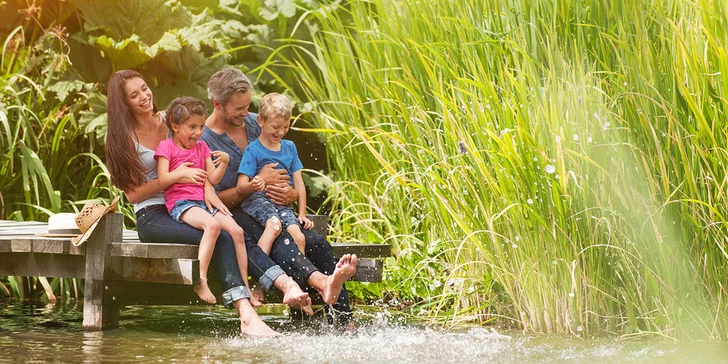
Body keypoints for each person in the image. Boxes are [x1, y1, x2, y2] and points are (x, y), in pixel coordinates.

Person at [104, 70, 311, 336]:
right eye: (134, 95)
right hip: (154, 213)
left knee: (234, 229)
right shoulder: (122, 137)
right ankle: (247, 316)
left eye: (144, 88)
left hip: (193, 200)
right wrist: (175, 176)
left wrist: (212, 189)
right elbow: (133, 196)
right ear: (123, 102)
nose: (144, 96)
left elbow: (204, 163)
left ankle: (277, 287)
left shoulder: (174, 118)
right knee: (221, 235)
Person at [200, 68, 358, 321]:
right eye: (238, 109)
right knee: (281, 239)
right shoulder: (204, 141)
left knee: (316, 243)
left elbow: (288, 171)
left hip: (275, 208)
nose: (246, 114)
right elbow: (211, 198)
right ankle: (318, 287)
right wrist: (256, 182)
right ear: (216, 104)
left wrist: (291, 193)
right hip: (235, 214)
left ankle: (343, 321)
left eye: (247, 106)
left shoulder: (258, 122)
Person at [155, 96, 258, 306]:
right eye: (192, 127)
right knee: (212, 226)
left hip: (205, 203)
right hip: (182, 203)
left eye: (201, 126)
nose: (198, 132)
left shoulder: (202, 147)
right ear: (175, 126)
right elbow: (162, 180)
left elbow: (213, 179)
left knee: (237, 232)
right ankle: (200, 279)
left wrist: (224, 162)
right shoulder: (167, 147)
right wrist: (181, 173)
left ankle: (246, 287)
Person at [237, 93, 312, 256]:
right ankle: (262, 269)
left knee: (299, 237)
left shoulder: (290, 147)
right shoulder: (253, 150)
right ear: (261, 121)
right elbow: (241, 186)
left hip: (282, 204)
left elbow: (299, 183)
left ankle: (300, 277)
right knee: (274, 226)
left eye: (285, 127)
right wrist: (255, 183)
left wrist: (302, 214)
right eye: (276, 127)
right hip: (258, 200)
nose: (281, 132)